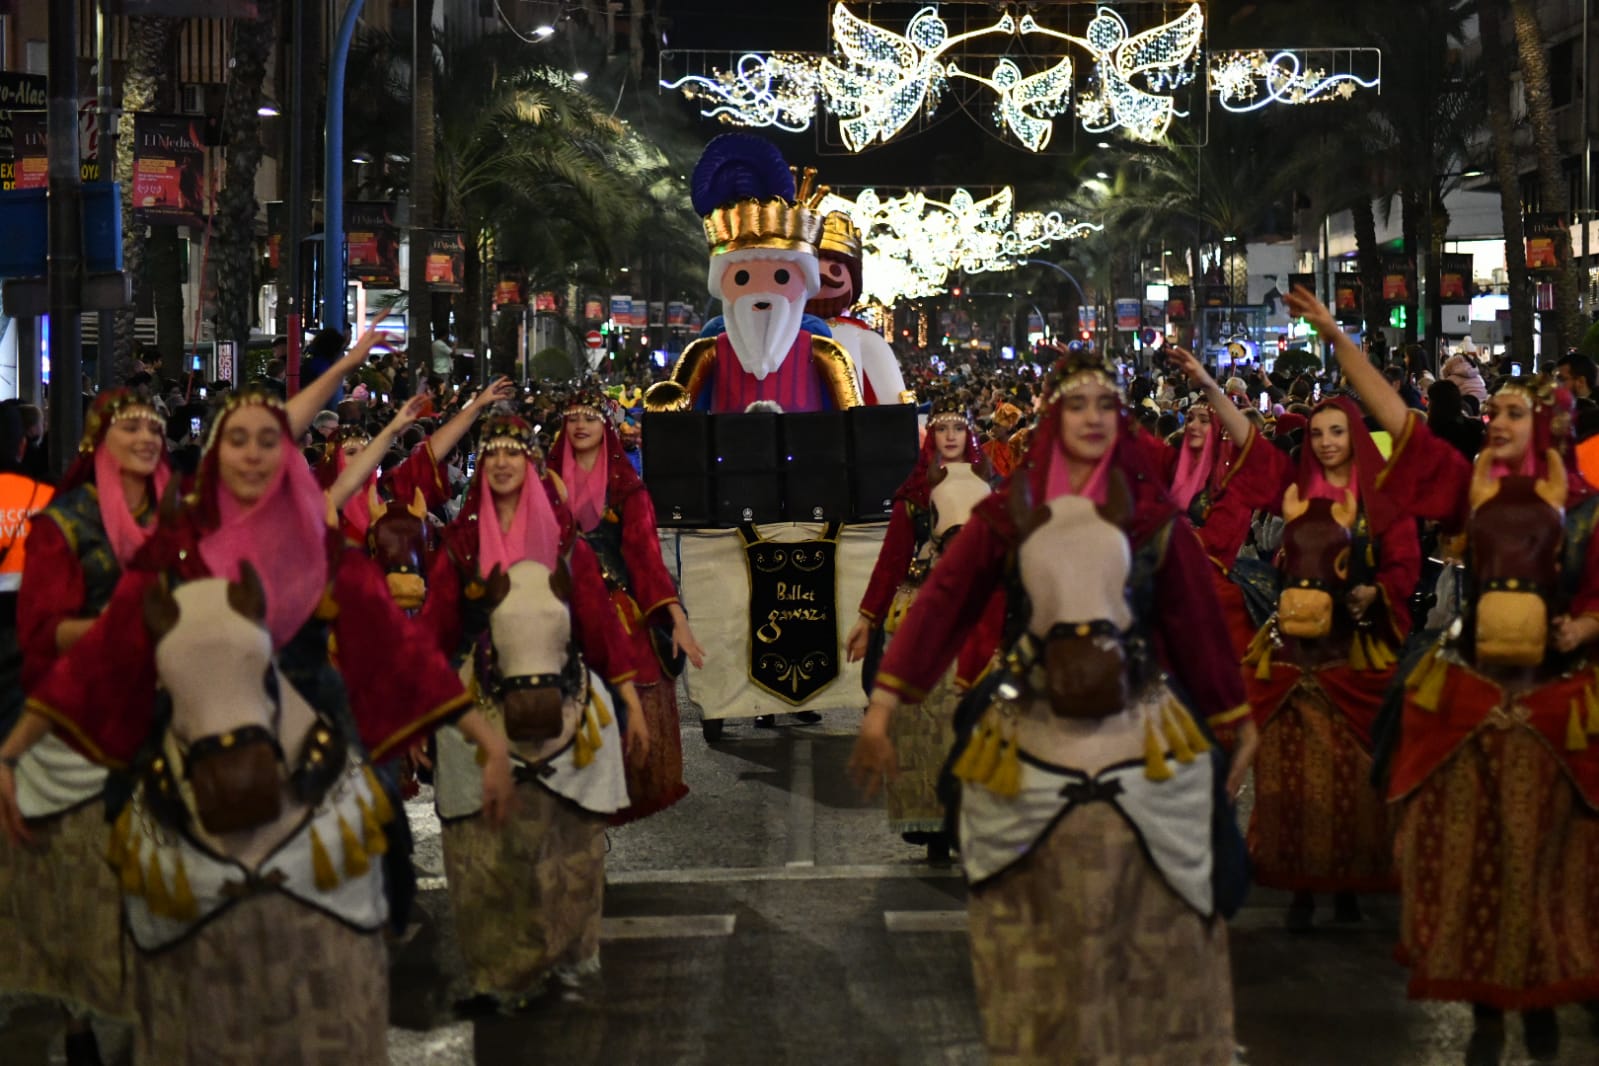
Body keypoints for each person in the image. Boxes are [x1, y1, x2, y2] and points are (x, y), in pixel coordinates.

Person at [0, 346, 513, 1065]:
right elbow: (109, 646)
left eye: (266, 440)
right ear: (214, 456)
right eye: (234, 440)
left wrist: (480, 738)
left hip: (310, 697)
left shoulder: (322, 544)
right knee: (121, 816)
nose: (249, 453)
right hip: (195, 707)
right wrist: (16, 748)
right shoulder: (178, 542)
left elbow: (396, 652)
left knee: (384, 830)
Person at [850, 349, 1257, 1066]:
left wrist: (1232, 717)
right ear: (1053, 417)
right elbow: (945, 600)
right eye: (1077, 405)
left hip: (1142, 704)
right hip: (1026, 697)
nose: (1093, 418)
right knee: (961, 788)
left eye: (1105, 405)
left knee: (1204, 817)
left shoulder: (1151, 516)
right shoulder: (1009, 512)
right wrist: (885, 704)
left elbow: (1194, 622)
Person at [1290, 283, 1599, 1065]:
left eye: (1510, 414)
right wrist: (1333, 332)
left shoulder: (1586, 510)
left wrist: (1583, 622)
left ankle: (1555, 977)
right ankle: (1478, 989)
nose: (1493, 421)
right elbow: (1393, 417)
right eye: (1489, 411)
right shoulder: (1464, 485)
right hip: (1468, 680)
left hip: (1559, 687)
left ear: (1546, 427)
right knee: (1417, 772)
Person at [1174, 346, 1421, 929]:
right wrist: (1209, 384)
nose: (1329, 442)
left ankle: (1349, 889)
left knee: (1352, 781)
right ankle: (1301, 887)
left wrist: (1374, 594)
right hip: (1290, 659)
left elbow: (1404, 564)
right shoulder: (1291, 489)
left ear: (1355, 435)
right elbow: (1252, 444)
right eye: (1319, 433)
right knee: (1288, 781)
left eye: (1339, 432)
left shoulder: (1378, 501)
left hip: (1350, 657)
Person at [420, 412, 647, 1011]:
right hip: (478, 709)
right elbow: (431, 633)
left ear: (529, 464)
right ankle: (497, 975)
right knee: (481, 850)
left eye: (511, 455)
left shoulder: (566, 542)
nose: (499, 464)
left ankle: (568, 954)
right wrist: (418, 714)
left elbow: (597, 621)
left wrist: (628, 698)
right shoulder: (461, 545)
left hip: (570, 703)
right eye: (490, 454)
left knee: (571, 840)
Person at [0, 391, 167, 1065]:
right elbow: (40, 635)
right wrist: (118, 632)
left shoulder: (177, 521)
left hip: (168, 720)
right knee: (85, 891)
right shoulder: (62, 523)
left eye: (155, 425)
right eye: (131, 425)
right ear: (100, 440)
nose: (148, 435)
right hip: (84, 729)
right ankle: (81, 1025)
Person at [845, 394, 997, 862]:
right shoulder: (912, 495)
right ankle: (932, 825)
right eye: (942, 429)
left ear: (969, 435)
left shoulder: (995, 487)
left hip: (978, 614)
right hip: (921, 612)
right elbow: (891, 561)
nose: (950, 437)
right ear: (930, 437)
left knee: (978, 715)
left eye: (958, 429)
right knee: (923, 720)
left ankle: (976, 820)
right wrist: (867, 618)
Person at [547, 388, 703, 824]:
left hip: (616, 608)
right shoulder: (541, 482)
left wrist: (676, 619)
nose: (580, 425)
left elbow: (647, 557)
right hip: (553, 604)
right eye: (572, 417)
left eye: (590, 418)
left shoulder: (627, 489)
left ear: (606, 428)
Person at [644, 134, 861, 414]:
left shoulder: (823, 350)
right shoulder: (708, 349)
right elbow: (682, 413)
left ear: (804, 282)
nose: (762, 292)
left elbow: (852, 416)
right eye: (742, 278)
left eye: (782, 277)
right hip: (728, 455)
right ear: (721, 282)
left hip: (805, 456)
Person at [318, 376, 516, 542]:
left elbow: (428, 457)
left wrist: (477, 405)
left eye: (367, 451)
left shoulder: (389, 497)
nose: (365, 459)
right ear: (332, 459)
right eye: (351, 453)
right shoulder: (315, 509)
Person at [803, 211, 910, 405]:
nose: (821, 277)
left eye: (835, 270)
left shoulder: (862, 337)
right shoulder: (779, 331)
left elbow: (893, 398)